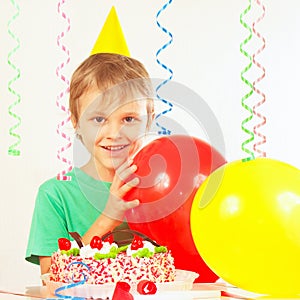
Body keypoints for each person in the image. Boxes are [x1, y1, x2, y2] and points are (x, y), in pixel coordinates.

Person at [25, 53, 155, 276]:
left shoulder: (166, 189)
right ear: (76, 122)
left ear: (150, 119)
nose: (114, 134)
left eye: (129, 119)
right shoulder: (56, 195)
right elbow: (52, 278)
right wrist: (108, 218)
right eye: (99, 119)